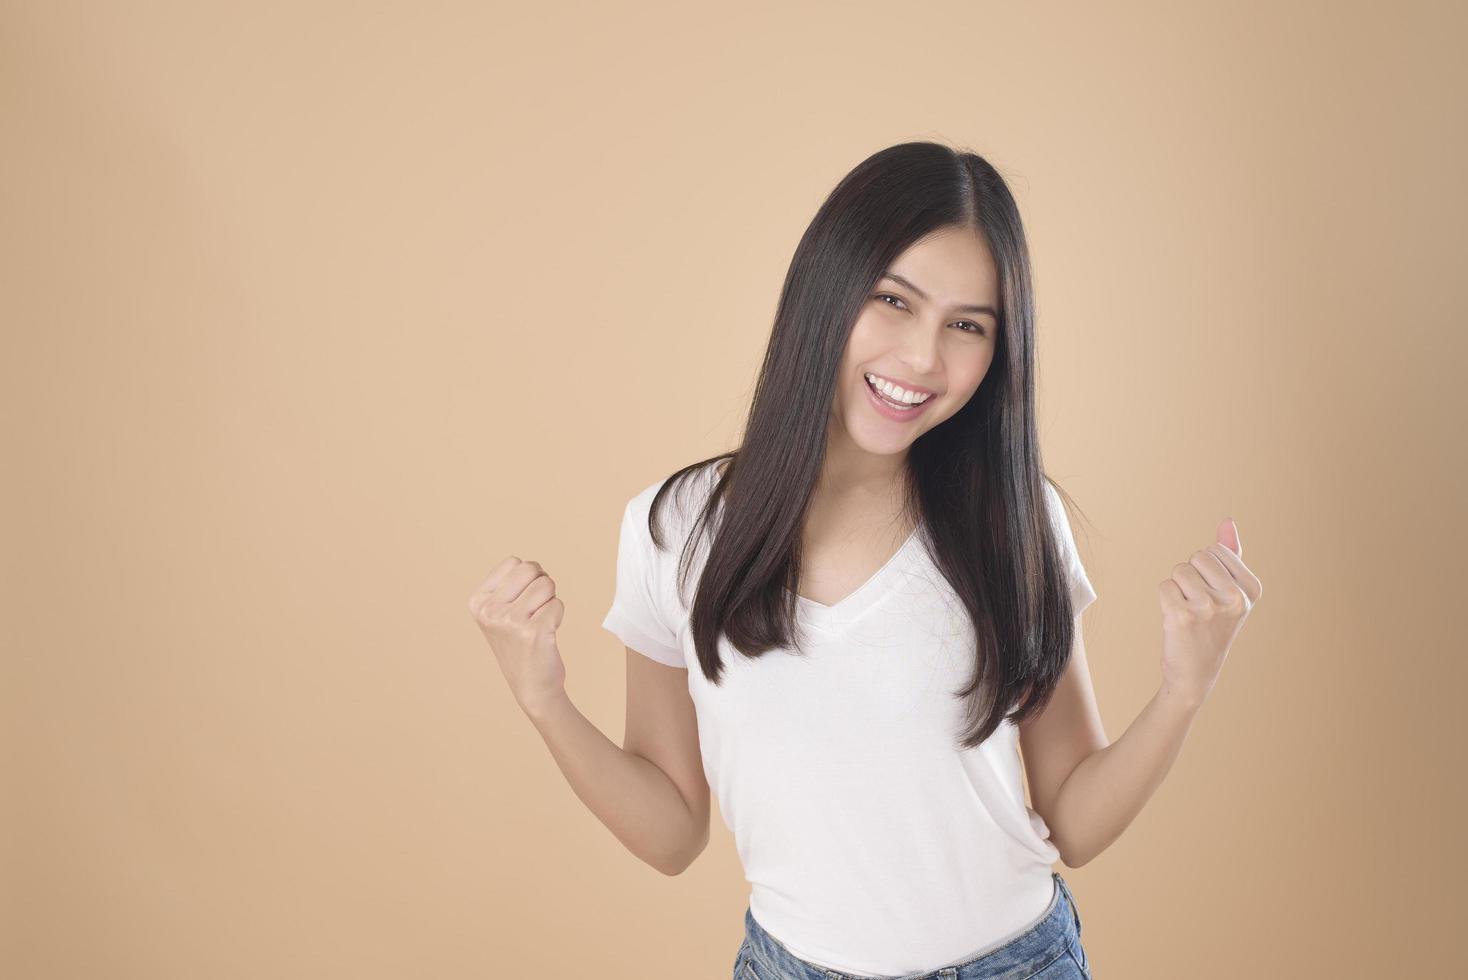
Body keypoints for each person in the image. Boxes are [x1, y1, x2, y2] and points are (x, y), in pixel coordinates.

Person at [469, 141, 1262, 979]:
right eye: (893, 300)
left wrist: (1184, 689)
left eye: (967, 326)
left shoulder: (1015, 519)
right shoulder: (676, 530)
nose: (923, 358)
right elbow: (671, 833)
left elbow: (1072, 816)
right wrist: (544, 699)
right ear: (826, 292)